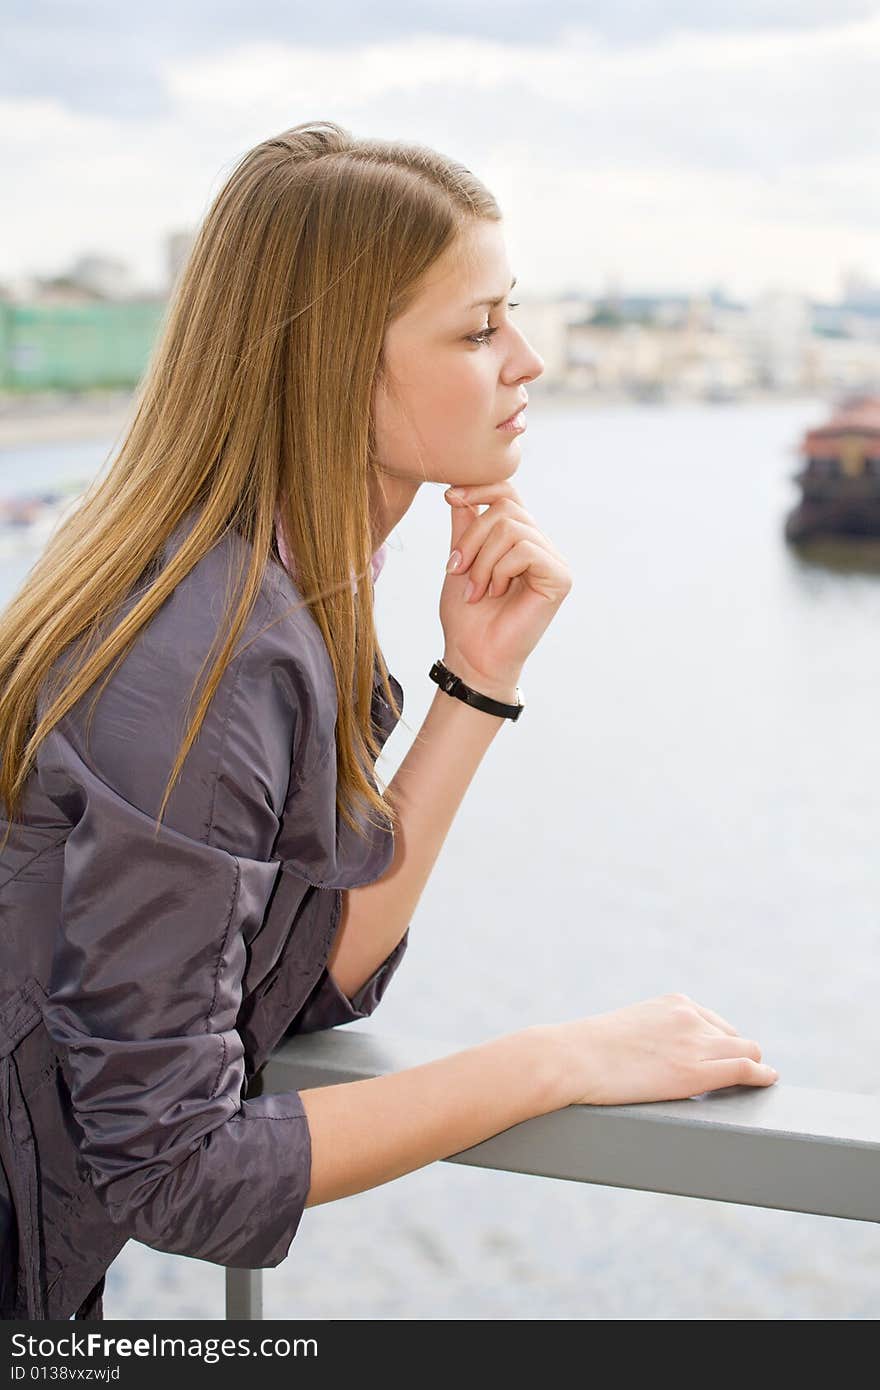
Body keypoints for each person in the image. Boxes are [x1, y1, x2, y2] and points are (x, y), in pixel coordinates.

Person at [0, 121, 779, 1322]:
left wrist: (476, 681)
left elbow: (294, 980)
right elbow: (171, 1168)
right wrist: (552, 1061)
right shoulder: (198, 658)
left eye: (510, 313)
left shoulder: (269, 598)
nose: (525, 359)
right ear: (333, 367)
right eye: (476, 329)